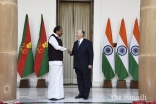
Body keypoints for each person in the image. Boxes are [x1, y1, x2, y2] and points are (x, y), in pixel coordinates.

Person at [69, 29, 94, 100]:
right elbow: (74, 52)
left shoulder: (88, 43)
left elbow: (91, 54)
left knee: (86, 80)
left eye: (77, 33)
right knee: (79, 80)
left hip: (85, 65)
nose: (76, 34)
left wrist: (90, 63)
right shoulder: (75, 43)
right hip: (77, 65)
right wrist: (70, 52)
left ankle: (86, 94)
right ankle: (81, 93)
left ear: (82, 34)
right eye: (76, 33)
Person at [48, 26, 70, 100]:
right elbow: (57, 47)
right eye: (61, 31)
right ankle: (53, 95)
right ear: (57, 31)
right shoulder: (52, 37)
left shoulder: (58, 38)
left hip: (58, 62)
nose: (62, 32)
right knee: (54, 79)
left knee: (59, 79)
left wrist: (61, 60)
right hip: (54, 62)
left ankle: (59, 95)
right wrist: (66, 49)